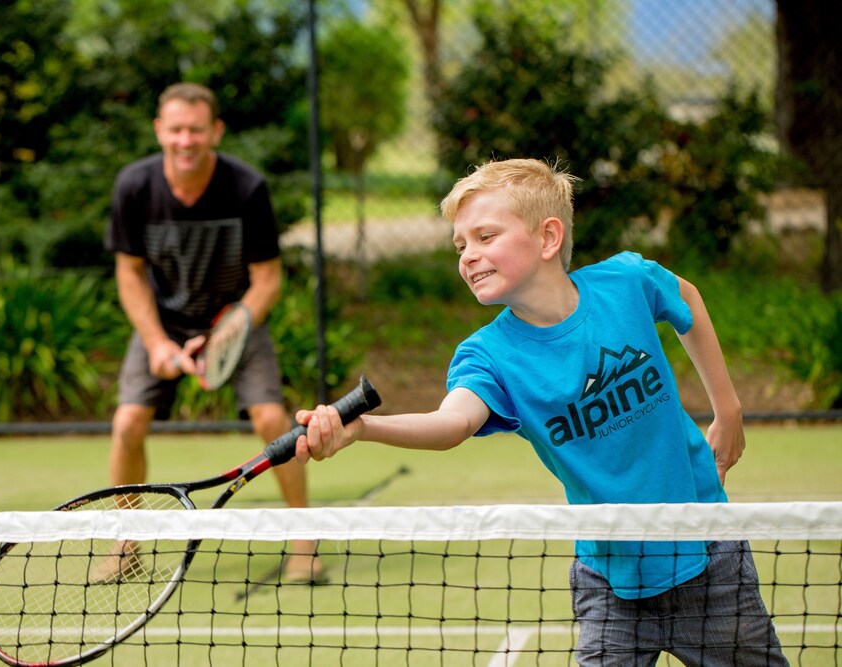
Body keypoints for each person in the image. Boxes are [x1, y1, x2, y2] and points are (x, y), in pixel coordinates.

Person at [294, 159, 787, 664]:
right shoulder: (488, 356)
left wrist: (727, 410)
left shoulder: (626, 282)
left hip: (709, 555)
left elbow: (687, 298)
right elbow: (450, 423)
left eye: (486, 236)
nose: (468, 256)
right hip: (610, 579)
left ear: (548, 238)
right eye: (461, 245)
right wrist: (364, 427)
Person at [104, 82, 322, 582]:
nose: (186, 140)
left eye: (196, 130)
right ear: (160, 131)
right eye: (176, 129)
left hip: (237, 321)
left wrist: (228, 332)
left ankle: (304, 540)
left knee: (273, 419)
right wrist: (158, 342)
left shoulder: (246, 187)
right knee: (127, 423)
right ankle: (126, 541)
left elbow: (268, 280)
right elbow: (130, 272)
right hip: (164, 322)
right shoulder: (134, 186)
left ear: (215, 131)